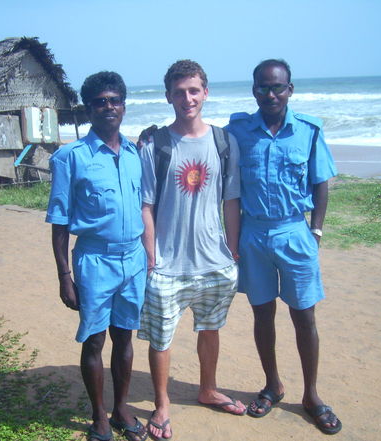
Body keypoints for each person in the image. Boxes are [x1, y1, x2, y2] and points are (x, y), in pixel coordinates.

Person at [226, 59, 342, 435]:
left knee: (304, 316)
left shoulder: (307, 131)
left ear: (290, 89)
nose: (270, 94)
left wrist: (317, 231)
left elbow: (321, 181)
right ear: (253, 89)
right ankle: (273, 384)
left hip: (295, 233)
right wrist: (152, 136)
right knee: (262, 315)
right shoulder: (238, 131)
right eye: (263, 87)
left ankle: (311, 395)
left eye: (277, 87)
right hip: (253, 234)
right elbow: (199, 142)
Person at [138, 59, 245, 440]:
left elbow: (231, 200)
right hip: (167, 264)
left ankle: (208, 388)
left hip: (214, 262)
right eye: (180, 92)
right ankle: (162, 405)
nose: (188, 98)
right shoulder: (155, 144)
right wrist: (151, 257)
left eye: (194, 90)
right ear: (168, 96)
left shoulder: (223, 141)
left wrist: (231, 250)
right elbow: (146, 204)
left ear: (206, 92)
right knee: (161, 338)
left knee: (211, 328)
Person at [46, 71, 148, 441]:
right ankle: (99, 417)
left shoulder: (137, 154)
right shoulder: (70, 158)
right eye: (100, 102)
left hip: (133, 260)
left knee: (125, 338)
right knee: (94, 340)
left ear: (123, 104)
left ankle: (121, 409)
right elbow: (59, 222)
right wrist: (63, 276)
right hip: (94, 261)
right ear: (88, 109)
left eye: (115, 100)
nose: (109, 107)